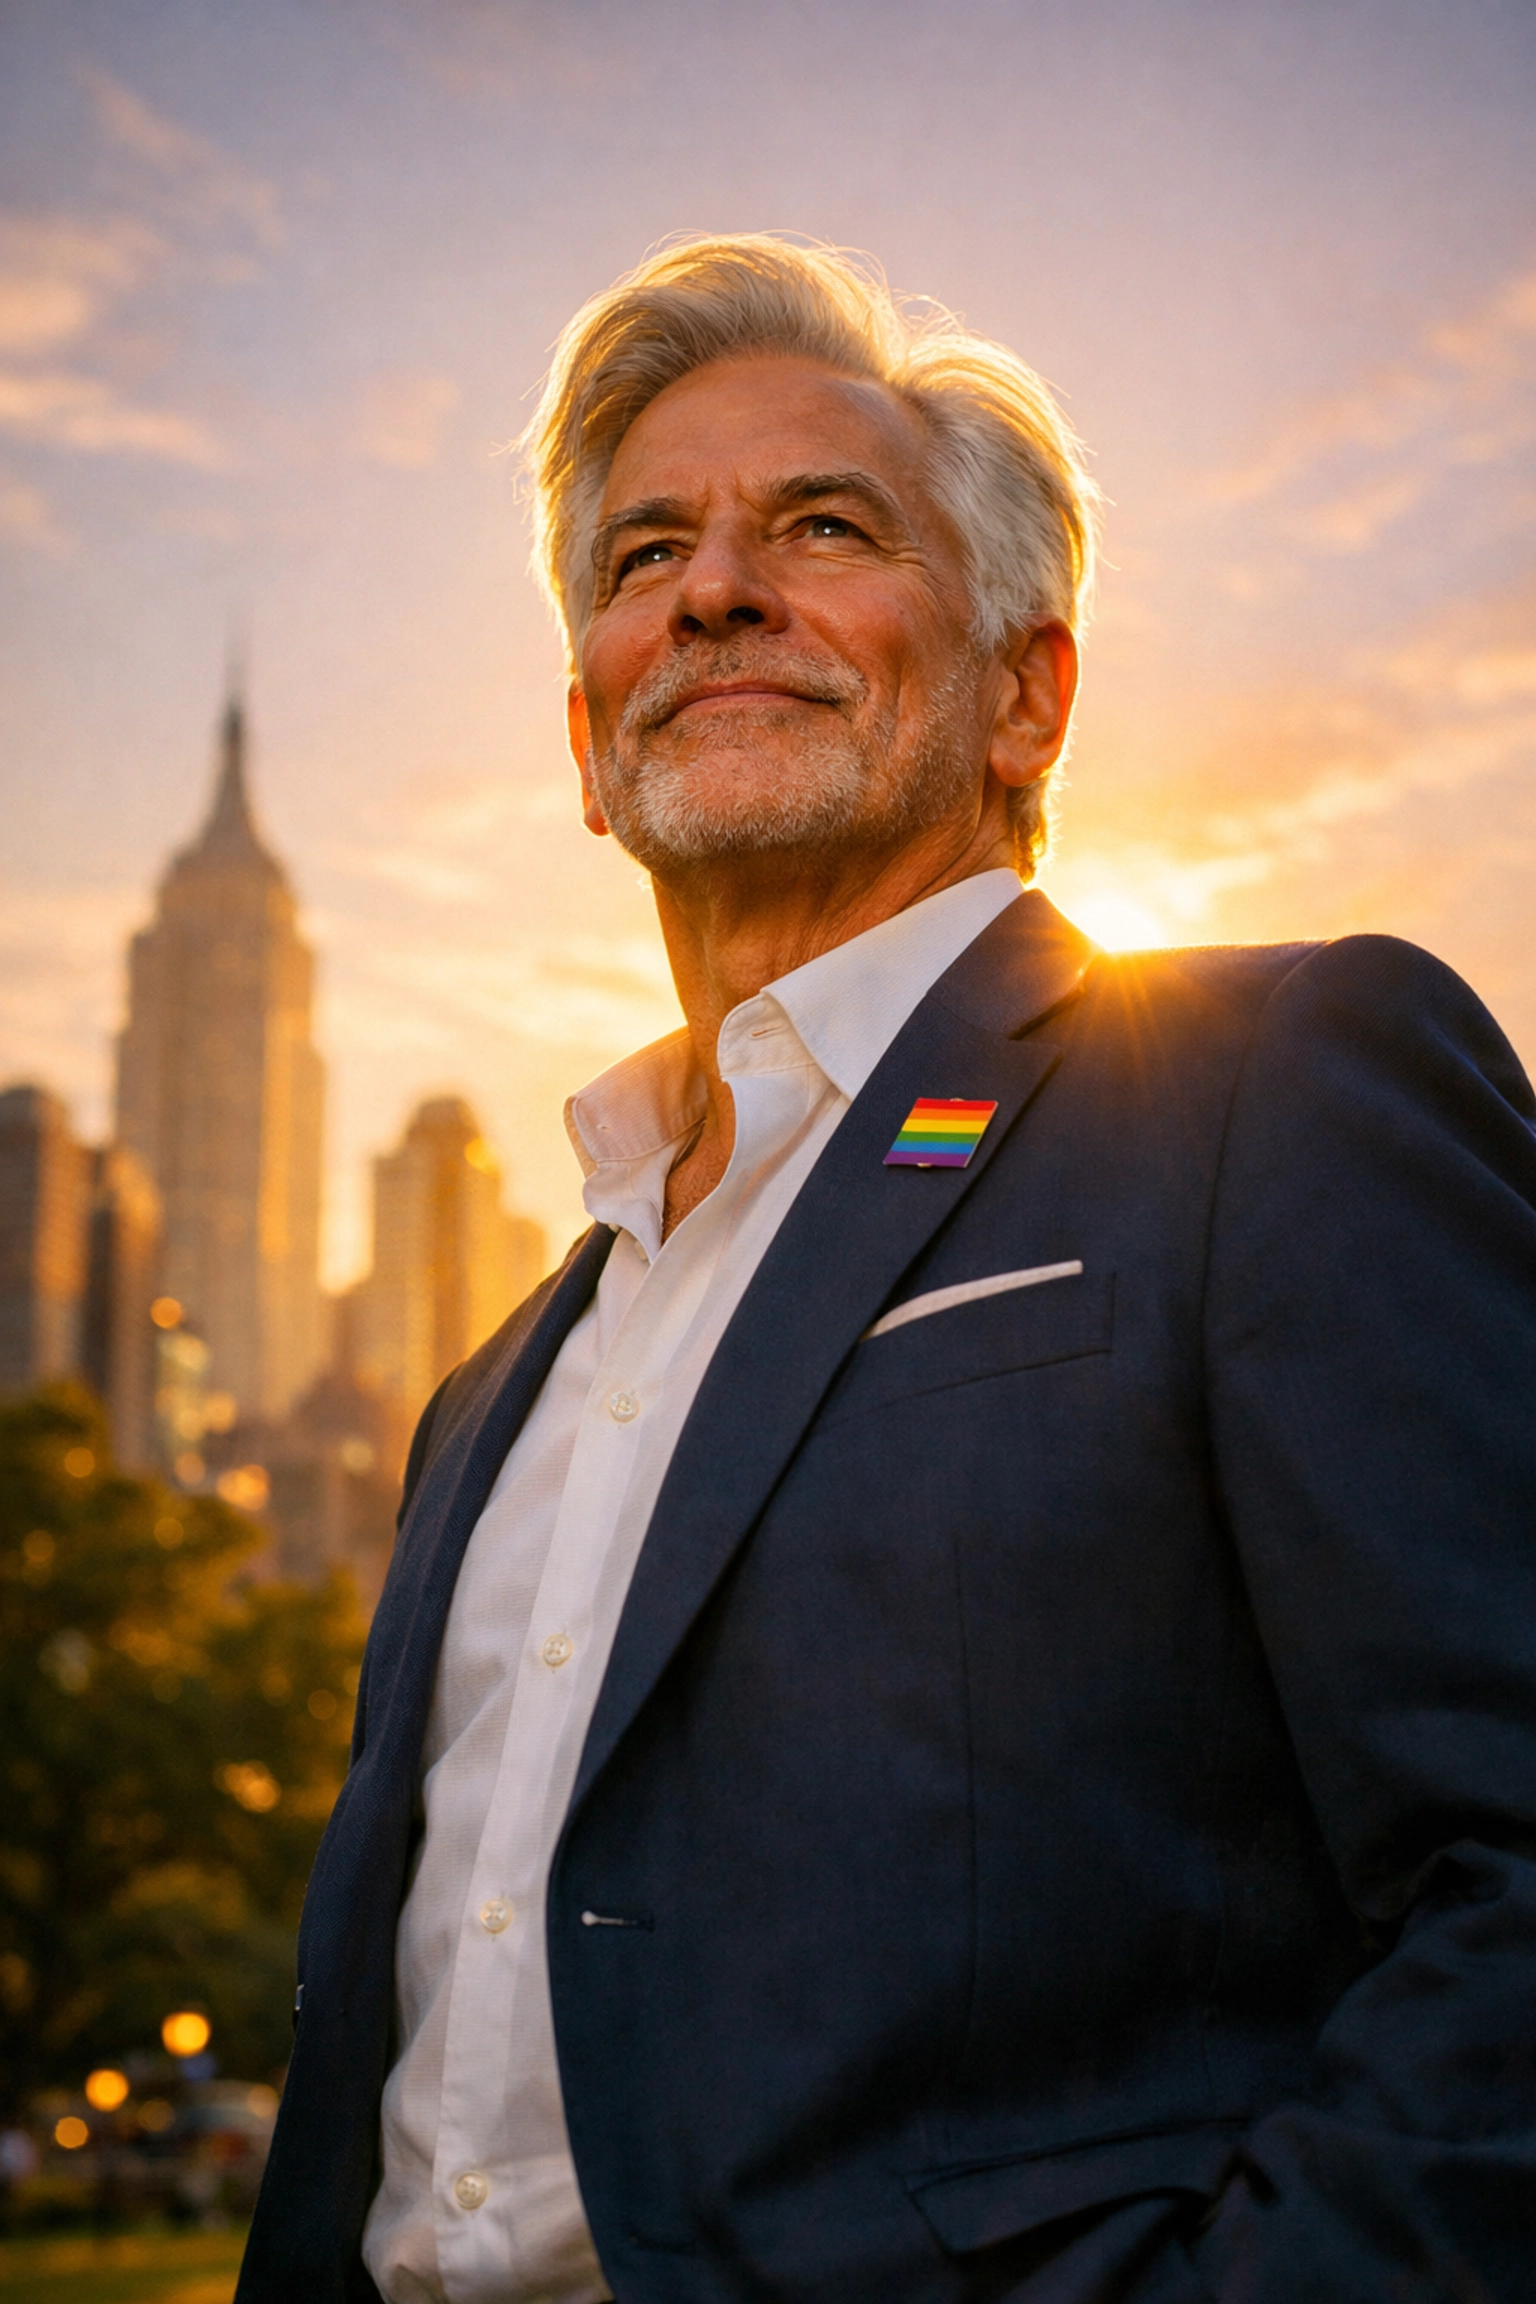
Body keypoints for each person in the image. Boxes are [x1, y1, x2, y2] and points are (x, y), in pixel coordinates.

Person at [237, 236, 1536, 2304]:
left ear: (1028, 693)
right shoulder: (486, 1390)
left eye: (824, 526)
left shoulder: (1271, 1086)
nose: (715, 587)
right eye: (648, 552)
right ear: (590, 739)